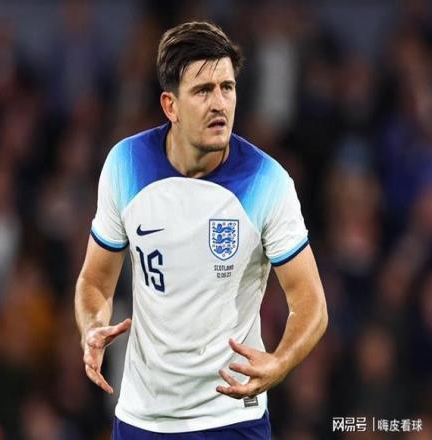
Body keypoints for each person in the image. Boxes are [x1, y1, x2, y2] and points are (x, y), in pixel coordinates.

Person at [75, 21, 328, 440]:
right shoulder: (125, 164)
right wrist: (91, 326)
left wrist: (281, 361)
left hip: (231, 417)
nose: (219, 104)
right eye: (203, 91)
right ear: (170, 106)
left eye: (227, 88)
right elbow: (96, 280)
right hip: (143, 419)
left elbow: (310, 301)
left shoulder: (268, 182)